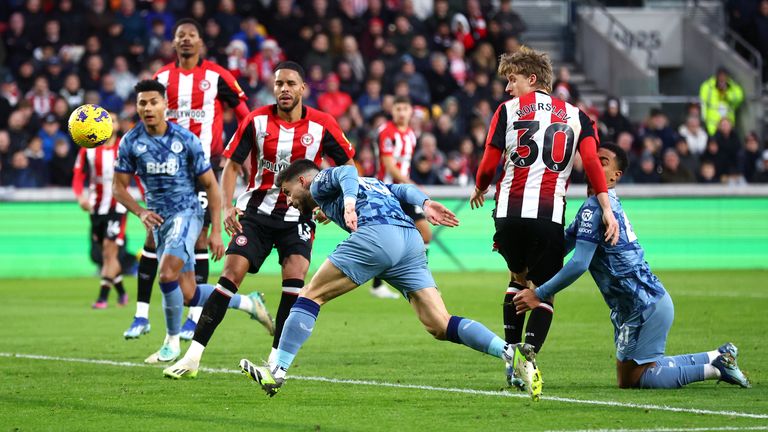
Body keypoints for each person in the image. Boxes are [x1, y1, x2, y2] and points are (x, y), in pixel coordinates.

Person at [237, 160, 543, 401]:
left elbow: (345, 172)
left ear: (302, 180)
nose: (289, 201)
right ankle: (509, 352)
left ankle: (277, 370)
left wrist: (347, 204)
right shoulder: (369, 183)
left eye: (289, 192)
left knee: (309, 296)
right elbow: (401, 190)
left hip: (376, 236)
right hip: (409, 241)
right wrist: (426, 202)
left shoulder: (318, 182)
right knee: (439, 323)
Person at [163, 61, 356, 379]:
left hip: (298, 217)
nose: (284, 89)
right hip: (256, 213)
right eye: (279, 83)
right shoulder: (256, 120)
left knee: (295, 277)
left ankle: (275, 360)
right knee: (230, 275)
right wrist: (226, 207)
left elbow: (348, 164)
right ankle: (193, 357)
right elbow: (232, 165)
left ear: (302, 88)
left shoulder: (322, 124)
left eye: (291, 83)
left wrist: (333, 202)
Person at [513, 144, 751, 390]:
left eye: (603, 161)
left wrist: (538, 294)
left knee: (634, 380)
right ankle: (715, 356)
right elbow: (560, 248)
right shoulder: (598, 206)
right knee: (637, 373)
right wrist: (522, 255)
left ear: (616, 176)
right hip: (639, 304)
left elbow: (579, 263)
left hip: (643, 306)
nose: (595, 164)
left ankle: (714, 369)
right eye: (592, 160)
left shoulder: (595, 208)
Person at [469, 46, 619, 387]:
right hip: (548, 214)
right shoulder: (578, 116)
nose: (508, 89)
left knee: (517, 278)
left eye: (512, 80)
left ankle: (511, 357)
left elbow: (488, 166)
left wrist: (480, 187)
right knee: (544, 293)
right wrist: (606, 209)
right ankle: (528, 355)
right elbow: (593, 164)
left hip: (507, 213)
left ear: (532, 79)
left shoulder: (506, 111)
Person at [113, 80, 266, 363]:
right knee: (188, 293)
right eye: (142, 103)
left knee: (167, 274)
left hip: (188, 213)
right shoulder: (130, 142)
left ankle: (171, 343)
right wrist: (140, 211)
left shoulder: (185, 140)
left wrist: (216, 230)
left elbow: (211, 184)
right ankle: (248, 303)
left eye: (153, 102)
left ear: (166, 106)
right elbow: (118, 188)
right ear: (136, 107)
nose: (148, 108)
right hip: (159, 219)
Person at [124, 18, 251, 340]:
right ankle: (140, 315)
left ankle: (194, 317)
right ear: (173, 42)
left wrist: (241, 154)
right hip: (166, 171)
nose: (186, 40)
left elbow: (244, 116)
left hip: (204, 167)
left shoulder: (218, 76)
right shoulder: (162, 77)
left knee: (200, 239)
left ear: (200, 43)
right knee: (153, 238)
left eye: (191, 35)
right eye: (180, 36)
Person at [370, 95, 431, 299]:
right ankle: (379, 284)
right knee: (388, 239)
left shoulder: (412, 134)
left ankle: (421, 277)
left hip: (404, 191)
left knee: (425, 233)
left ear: (411, 111)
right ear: (392, 110)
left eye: (405, 108)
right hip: (387, 192)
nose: (402, 112)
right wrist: (410, 184)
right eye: (398, 108)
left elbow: (404, 164)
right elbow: (388, 164)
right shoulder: (386, 132)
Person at [72, 112, 128, 309]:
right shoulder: (88, 149)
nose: (110, 124)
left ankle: (102, 297)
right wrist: (80, 197)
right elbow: (78, 176)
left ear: (118, 124)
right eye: (106, 120)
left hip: (118, 207)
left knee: (109, 250)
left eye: (113, 120)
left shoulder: (125, 147)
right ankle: (121, 292)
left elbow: (139, 176)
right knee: (105, 255)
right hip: (96, 208)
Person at [699, 67, 744, 136]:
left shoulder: (733, 87)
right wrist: (703, 120)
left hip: (728, 126)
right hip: (712, 127)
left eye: (724, 78)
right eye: (720, 77)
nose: (722, 80)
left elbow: (739, 98)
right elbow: (702, 103)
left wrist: (727, 94)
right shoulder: (708, 86)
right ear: (716, 77)